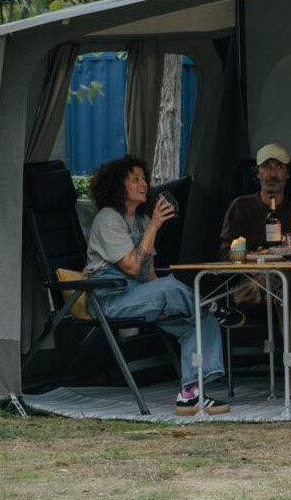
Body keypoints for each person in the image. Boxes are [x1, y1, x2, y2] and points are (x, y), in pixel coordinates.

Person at [85, 155, 227, 416]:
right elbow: (132, 267)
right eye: (135, 179)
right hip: (110, 300)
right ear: (117, 185)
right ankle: (208, 303)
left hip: (141, 296)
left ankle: (190, 394)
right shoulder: (108, 219)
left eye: (144, 179)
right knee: (170, 287)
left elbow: (148, 273)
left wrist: (166, 304)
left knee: (202, 320)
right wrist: (154, 226)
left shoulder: (140, 221)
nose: (144, 185)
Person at [216, 143, 291, 393]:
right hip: (251, 282)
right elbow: (226, 253)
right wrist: (255, 262)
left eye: (278, 167)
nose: (272, 173)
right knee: (283, 285)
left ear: (287, 173)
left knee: (286, 285)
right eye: (266, 167)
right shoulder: (241, 206)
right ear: (258, 173)